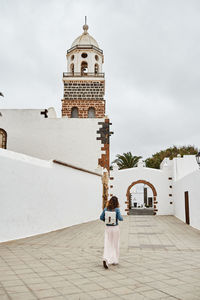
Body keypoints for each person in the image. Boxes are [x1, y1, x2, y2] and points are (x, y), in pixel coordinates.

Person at [100, 196, 123, 269]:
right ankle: (114, 260)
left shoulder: (106, 209)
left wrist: (106, 221)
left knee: (107, 243)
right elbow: (120, 218)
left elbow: (101, 217)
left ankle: (106, 258)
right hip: (115, 228)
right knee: (115, 244)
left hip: (108, 228)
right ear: (117, 202)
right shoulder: (117, 209)